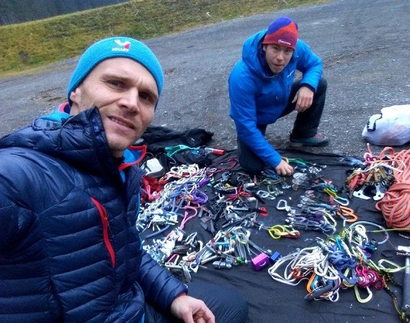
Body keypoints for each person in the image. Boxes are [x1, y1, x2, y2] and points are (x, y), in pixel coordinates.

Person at [0, 37, 248, 323]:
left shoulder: (121, 168)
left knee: (230, 305)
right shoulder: (19, 174)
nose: (131, 103)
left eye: (145, 97)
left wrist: (174, 296)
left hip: (129, 309)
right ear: (76, 91)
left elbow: (123, 252)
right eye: (116, 83)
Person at [229, 16, 329, 176]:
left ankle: (303, 134)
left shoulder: (297, 48)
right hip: (256, 116)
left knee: (318, 84)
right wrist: (275, 160)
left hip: (281, 99)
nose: (281, 57)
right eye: (275, 48)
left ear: (293, 50)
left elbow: (314, 64)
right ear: (264, 46)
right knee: (253, 167)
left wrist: (308, 86)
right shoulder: (241, 77)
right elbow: (245, 125)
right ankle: (250, 147)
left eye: (287, 51)